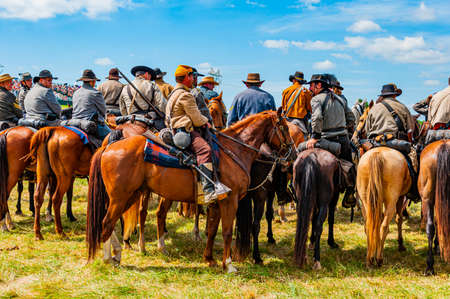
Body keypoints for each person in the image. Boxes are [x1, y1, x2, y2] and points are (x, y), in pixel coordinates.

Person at [165, 65, 230, 204]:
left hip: (175, 130)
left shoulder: (172, 94)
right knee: (205, 150)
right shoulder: (186, 95)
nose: (193, 78)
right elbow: (197, 118)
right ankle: (208, 191)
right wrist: (206, 122)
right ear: (187, 77)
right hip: (185, 130)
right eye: (191, 76)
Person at [306, 74, 356, 206]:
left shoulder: (316, 99)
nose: (310, 88)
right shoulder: (341, 99)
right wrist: (342, 126)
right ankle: (350, 192)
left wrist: (315, 137)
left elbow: (316, 118)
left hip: (324, 140)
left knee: (299, 150)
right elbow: (351, 118)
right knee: (350, 166)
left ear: (319, 85)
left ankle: (294, 186)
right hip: (342, 140)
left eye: (312, 85)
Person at [365, 83, 419, 199]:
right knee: (414, 160)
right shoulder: (402, 107)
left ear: (383, 95)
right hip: (396, 142)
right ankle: (413, 190)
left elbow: (367, 130)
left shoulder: (374, 108)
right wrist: (410, 142)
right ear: (395, 95)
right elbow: (410, 130)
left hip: (375, 143)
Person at [72, 69, 110, 141]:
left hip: (74, 123)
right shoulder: (95, 93)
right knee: (112, 138)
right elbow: (103, 110)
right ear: (92, 81)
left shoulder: (75, 93)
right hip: (90, 123)